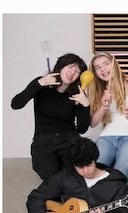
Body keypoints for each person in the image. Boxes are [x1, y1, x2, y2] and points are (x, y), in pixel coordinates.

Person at [26, 137, 128, 213]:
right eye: (80, 167)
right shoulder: (66, 177)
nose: (85, 171)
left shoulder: (116, 183)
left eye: (88, 165)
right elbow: (36, 198)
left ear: (95, 159)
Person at [11, 52, 91, 181]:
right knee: (53, 181)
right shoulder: (41, 84)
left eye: (77, 71)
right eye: (70, 67)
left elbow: (82, 129)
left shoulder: (78, 94)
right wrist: (39, 83)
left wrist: (86, 105)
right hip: (43, 142)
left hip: (70, 141)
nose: (73, 72)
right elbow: (16, 104)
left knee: (73, 180)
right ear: (61, 66)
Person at [86, 51, 128, 181]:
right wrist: (104, 106)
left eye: (106, 64)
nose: (102, 69)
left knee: (119, 176)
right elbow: (93, 123)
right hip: (106, 138)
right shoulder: (98, 90)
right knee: (93, 175)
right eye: (97, 67)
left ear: (114, 65)